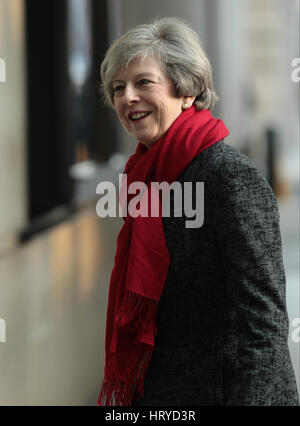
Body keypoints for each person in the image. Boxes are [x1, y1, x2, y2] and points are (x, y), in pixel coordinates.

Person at [97, 17, 299, 406]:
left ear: (186, 90)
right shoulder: (144, 178)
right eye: (118, 88)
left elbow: (264, 324)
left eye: (143, 82)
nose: (127, 98)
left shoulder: (228, 176)